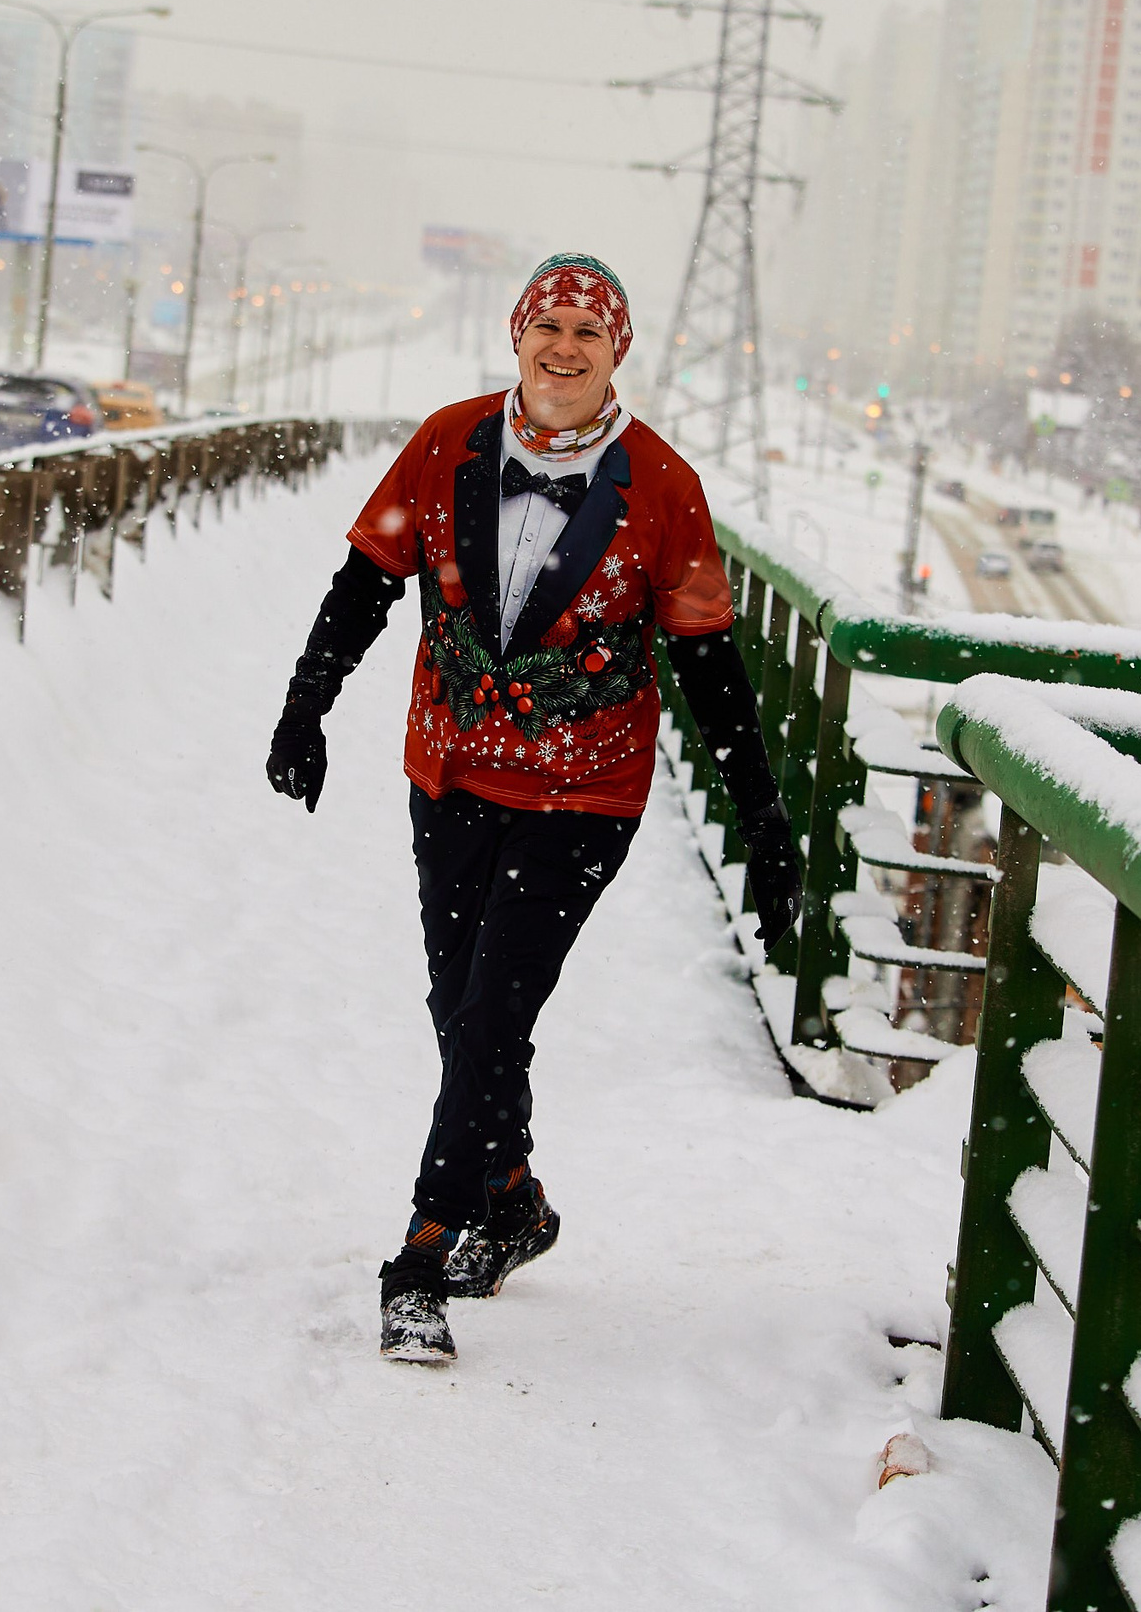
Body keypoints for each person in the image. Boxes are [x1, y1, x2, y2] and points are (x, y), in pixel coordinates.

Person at [266, 253, 803, 1363]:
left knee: (493, 1014)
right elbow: (365, 582)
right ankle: (510, 1198)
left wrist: (763, 818)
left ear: (618, 355)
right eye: (547, 326)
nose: (565, 349)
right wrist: (302, 711)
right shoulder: (445, 443)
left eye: (588, 334)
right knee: (458, 1005)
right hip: (451, 771)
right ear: (517, 336)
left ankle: (422, 1250)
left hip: (584, 791)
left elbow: (708, 663)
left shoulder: (660, 485)